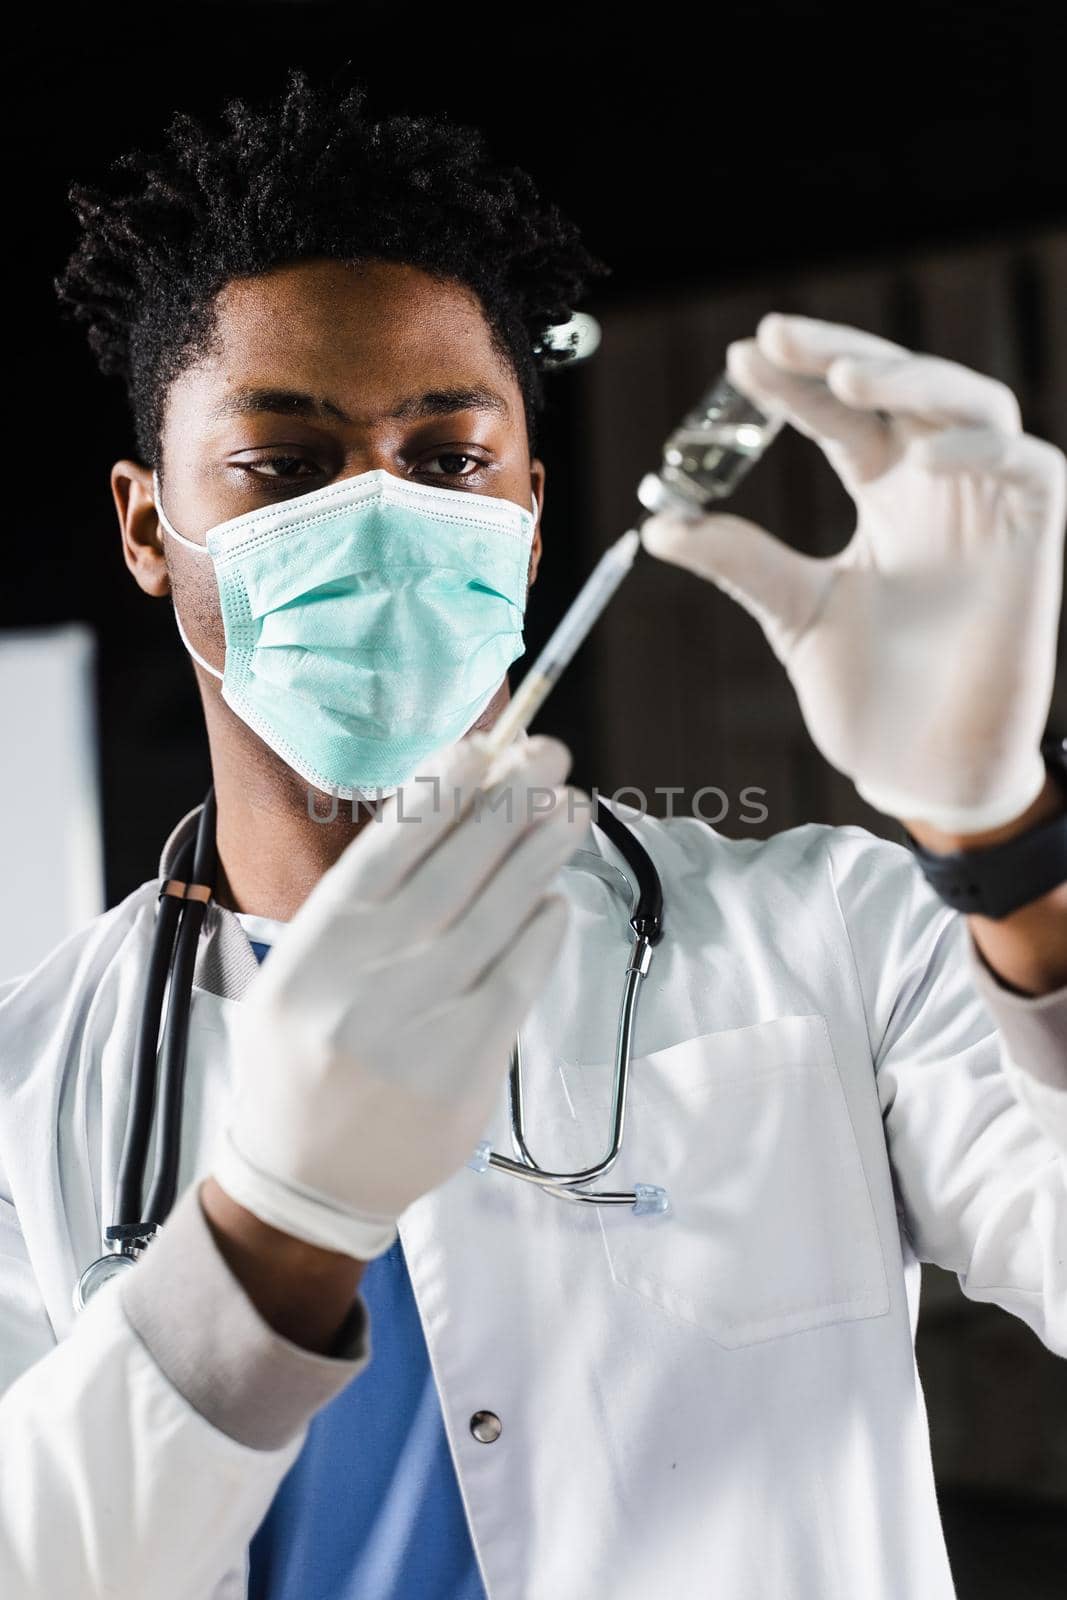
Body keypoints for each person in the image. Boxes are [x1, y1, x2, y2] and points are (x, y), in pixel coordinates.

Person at [1, 69, 1064, 1600]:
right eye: (284, 466)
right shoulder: (29, 1091)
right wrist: (275, 1230)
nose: (380, 515)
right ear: (144, 524)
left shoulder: (836, 931)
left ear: (532, 510)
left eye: (448, 460)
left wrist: (1005, 834)